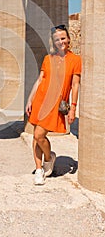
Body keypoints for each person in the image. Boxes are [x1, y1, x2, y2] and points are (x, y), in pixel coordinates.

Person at [25, 24, 81, 185]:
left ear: (68, 39)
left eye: (63, 38)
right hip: (40, 100)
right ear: (53, 42)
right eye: (57, 39)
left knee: (39, 135)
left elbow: (75, 85)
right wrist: (30, 99)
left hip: (55, 104)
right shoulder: (48, 59)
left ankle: (49, 158)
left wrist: (73, 108)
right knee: (36, 136)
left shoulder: (76, 60)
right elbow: (40, 79)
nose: (60, 41)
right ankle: (39, 169)